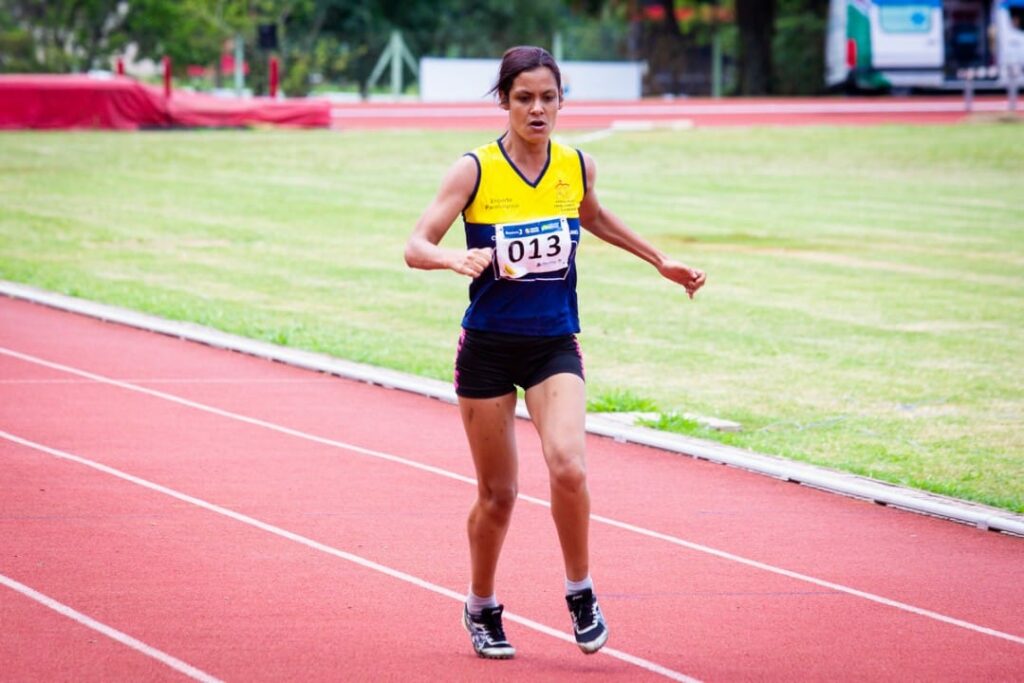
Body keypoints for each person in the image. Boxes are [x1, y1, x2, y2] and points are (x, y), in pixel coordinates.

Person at [404, 45, 706, 660]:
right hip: (487, 349)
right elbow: (415, 243)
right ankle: (482, 605)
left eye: (548, 97)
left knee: (568, 465)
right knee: (499, 495)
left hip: (552, 344)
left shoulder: (576, 165)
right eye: (523, 98)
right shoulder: (475, 170)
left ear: (562, 100)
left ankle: (580, 590)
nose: (537, 109)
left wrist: (659, 260)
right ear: (505, 102)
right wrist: (450, 257)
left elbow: (593, 217)